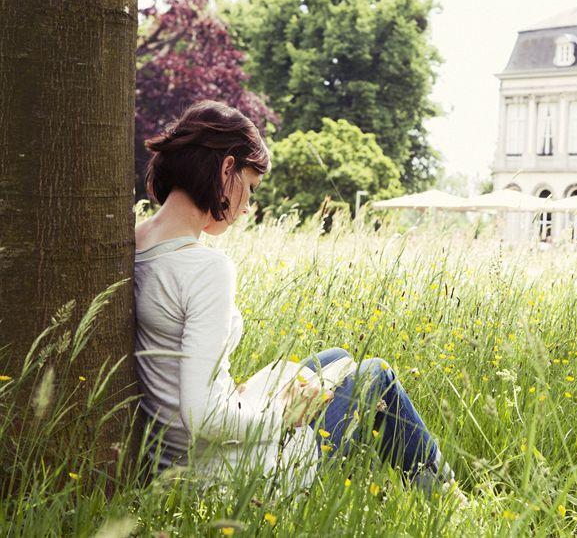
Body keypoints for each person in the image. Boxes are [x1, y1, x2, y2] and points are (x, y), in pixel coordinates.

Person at [133, 100, 457, 495]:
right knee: (376, 375)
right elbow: (202, 415)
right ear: (226, 169)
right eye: (249, 188)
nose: (247, 208)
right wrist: (283, 414)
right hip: (231, 475)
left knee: (334, 360)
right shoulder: (206, 268)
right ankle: (444, 497)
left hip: (175, 456)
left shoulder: (135, 242)